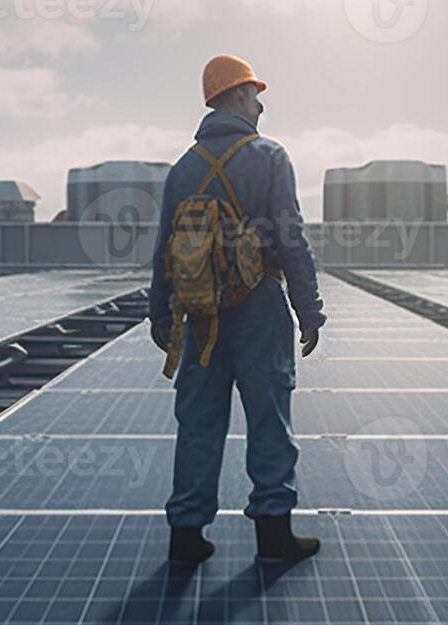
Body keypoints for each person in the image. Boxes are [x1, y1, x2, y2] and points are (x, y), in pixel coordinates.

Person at [149, 54, 327, 565]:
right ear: (234, 97)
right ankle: (274, 535)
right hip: (259, 308)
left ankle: (187, 536)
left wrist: (160, 315)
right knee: (269, 419)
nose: (260, 102)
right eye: (253, 93)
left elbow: (165, 247)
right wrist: (309, 310)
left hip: (199, 311)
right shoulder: (269, 156)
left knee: (199, 423)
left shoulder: (183, 168)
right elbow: (291, 239)